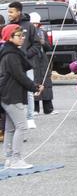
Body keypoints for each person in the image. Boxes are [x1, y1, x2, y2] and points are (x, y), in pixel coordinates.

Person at [0, 24, 44, 169]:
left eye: (22, 35)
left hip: (8, 94)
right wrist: (35, 87)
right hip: (12, 95)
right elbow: (20, 76)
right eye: (19, 36)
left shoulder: (10, 52)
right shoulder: (11, 55)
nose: (22, 38)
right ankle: (16, 159)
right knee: (21, 127)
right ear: (9, 37)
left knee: (11, 128)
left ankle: (9, 157)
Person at [6, 2, 40, 128]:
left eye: (11, 12)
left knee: (29, 89)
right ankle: (16, 119)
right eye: (8, 12)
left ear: (18, 12)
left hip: (26, 64)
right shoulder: (8, 27)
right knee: (13, 89)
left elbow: (37, 44)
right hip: (12, 64)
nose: (9, 14)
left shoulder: (29, 26)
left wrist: (26, 55)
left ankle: (30, 117)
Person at [29, 11, 54, 115]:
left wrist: (44, 43)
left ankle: (48, 108)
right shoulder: (27, 34)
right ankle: (35, 108)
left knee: (46, 81)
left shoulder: (42, 33)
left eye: (37, 24)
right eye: (33, 23)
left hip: (43, 59)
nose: (35, 26)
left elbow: (49, 48)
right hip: (33, 59)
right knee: (35, 81)